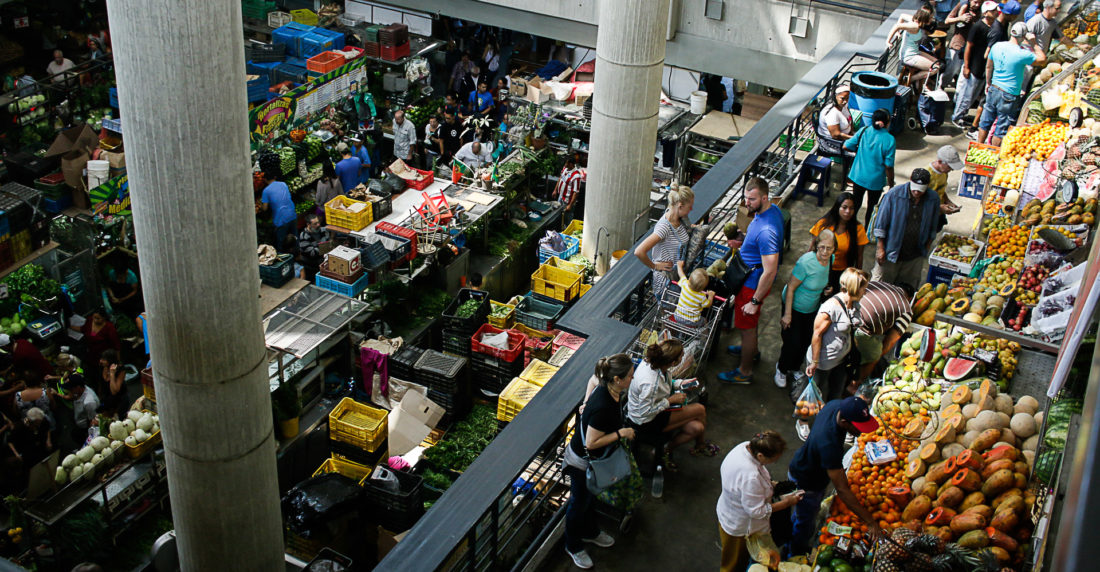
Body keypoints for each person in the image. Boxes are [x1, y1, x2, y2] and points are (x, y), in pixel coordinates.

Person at [561, 355, 634, 569]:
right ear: (618, 379)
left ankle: (590, 531)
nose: (633, 378)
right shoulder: (603, 407)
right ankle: (573, 545)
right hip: (582, 463)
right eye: (630, 375)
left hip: (593, 460)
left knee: (589, 498)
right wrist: (622, 433)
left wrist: (585, 402)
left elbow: (593, 381)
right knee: (578, 502)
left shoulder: (607, 386)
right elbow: (592, 443)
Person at [786, 395, 882, 557]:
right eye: (858, 427)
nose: (861, 432)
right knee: (805, 523)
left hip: (804, 461)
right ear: (845, 422)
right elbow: (842, 490)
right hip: (808, 482)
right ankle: (794, 554)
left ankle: (793, 538)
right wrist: (870, 522)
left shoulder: (835, 405)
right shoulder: (828, 445)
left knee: (800, 515)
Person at [718, 178, 782, 385]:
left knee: (747, 329)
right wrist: (744, 241)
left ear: (765, 197)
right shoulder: (771, 212)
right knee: (748, 328)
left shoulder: (767, 231)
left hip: (751, 285)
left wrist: (754, 302)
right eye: (746, 198)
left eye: (752, 199)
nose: (747, 203)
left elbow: (770, 271)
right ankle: (750, 351)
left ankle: (744, 371)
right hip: (750, 278)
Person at [717, 431, 802, 572]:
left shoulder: (744, 447)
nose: (773, 463)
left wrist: (774, 485)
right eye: (772, 460)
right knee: (734, 564)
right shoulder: (750, 477)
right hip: (741, 526)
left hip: (729, 511)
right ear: (760, 455)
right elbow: (757, 511)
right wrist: (787, 503)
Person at [627, 339, 716, 469]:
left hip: (655, 411)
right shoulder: (650, 383)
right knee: (700, 409)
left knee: (697, 428)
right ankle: (700, 445)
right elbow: (645, 412)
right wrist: (670, 400)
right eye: (682, 356)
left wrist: (680, 383)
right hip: (646, 422)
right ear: (673, 362)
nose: (684, 357)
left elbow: (666, 382)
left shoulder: (655, 365)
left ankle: (667, 449)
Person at [777, 230, 835, 389]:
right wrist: (787, 314)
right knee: (791, 342)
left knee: (805, 341)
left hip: (812, 308)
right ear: (816, 246)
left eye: (829, 248)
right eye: (821, 247)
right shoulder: (805, 263)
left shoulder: (831, 260)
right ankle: (781, 368)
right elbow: (790, 288)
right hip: (794, 306)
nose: (825, 252)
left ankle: (795, 367)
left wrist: (826, 290)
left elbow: (822, 281)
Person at [977, 22, 1046, 146]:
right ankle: (992, 153)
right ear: (1023, 37)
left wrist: (988, 83)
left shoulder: (997, 46)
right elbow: (1042, 59)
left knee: (985, 121)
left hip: (994, 88)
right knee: (1001, 128)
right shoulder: (1022, 54)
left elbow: (988, 66)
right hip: (1009, 94)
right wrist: (1034, 42)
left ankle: (978, 147)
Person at [806, 268, 869, 402]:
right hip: (823, 362)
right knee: (814, 394)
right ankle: (803, 419)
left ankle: (830, 415)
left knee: (836, 392)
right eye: (864, 288)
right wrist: (814, 363)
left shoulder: (854, 304)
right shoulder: (831, 307)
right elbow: (817, 334)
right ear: (855, 288)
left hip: (841, 360)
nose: (865, 292)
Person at [873, 168, 943, 288]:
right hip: (891, 252)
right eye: (915, 188)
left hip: (915, 254)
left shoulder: (933, 198)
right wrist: (880, 248)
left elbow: (933, 224)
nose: (916, 192)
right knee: (881, 288)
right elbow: (881, 224)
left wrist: (927, 246)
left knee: (907, 289)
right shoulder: (894, 195)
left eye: (920, 190)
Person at [634, 185, 694, 300]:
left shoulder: (679, 218)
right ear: (680, 206)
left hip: (677, 275)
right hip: (666, 283)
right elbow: (639, 251)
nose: (691, 210)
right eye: (690, 207)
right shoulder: (664, 228)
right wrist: (655, 266)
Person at [844, 108, 896, 229]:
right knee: (872, 207)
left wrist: (860, 151)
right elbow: (889, 166)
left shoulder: (864, 131)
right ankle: (867, 231)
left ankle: (850, 229)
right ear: (887, 123)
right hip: (876, 181)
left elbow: (846, 146)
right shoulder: (889, 140)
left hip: (858, 176)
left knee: (855, 204)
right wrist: (891, 183)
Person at [855, 281, 914, 383]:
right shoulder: (906, 309)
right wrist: (877, 357)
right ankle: (856, 384)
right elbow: (889, 342)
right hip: (861, 330)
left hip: (845, 318)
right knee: (875, 354)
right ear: (910, 299)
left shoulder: (876, 284)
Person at [809, 192, 869, 291]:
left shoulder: (858, 229)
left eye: (851, 208)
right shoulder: (823, 224)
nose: (848, 211)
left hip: (843, 273)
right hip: (821, 269)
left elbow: (859, 256)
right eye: (844, 207)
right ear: (837, 207)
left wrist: (857, 276)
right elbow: (812, 248)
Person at [953, 1, 999, 129]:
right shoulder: (978, 27)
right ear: (985, 13)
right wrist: (967, 67)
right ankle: (957, 117)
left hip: (983, 69)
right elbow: (968, 46)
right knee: (965, 96)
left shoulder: (993, 27)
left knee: (972, 96)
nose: (996, 12)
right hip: (973, 67)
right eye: (992, 10)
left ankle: (962, 115)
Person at [888, 7, 940, 81]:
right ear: (925, 17)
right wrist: (888, 41)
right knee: (935, 68)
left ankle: (916, 82)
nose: (932, 19)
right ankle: (910, 79)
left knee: (937, 62)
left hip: (915, 52)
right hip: (909, 56)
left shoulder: (914, 20)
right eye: (930, 17)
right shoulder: (914, 26)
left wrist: (898, 32)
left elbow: (902, 16)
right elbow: (897, 26)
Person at [815, 84, 855, 178]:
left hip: (845, 137)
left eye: (847, 98)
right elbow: (835, 135)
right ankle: (850, 176)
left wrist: (851, 132)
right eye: (843, 98)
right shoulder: (832, 113)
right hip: (830, 143)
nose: (845, 101)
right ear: (835, 96)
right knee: (859, 151)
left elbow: (849, 118)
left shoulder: (843, 106)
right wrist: (853, 138)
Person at [52, 374, 99, 443]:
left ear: (78, 387)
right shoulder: (79, 391)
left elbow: (93, 421)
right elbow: (71, 397)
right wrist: (57, 394)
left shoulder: (89, 402)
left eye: (70, 389)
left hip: (84, 429)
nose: (69, 391)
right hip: (78, 420)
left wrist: (90, 440)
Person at [260, 171, 297, 252]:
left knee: (281, 242)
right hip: (292, 214)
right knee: (294, 239)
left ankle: (284, 258)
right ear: (275, 177)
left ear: (265, 180)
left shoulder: (266, 191)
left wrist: (261, 204)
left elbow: (265, 208)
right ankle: (297, 254)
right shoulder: (283, 184)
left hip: (281, 219)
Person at [672, 263, 716, 328]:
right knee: (704, 321)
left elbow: (681, 274)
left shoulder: (685, 284)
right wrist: (711, 296)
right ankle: (704, 337)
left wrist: (679, 266)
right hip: (693, 322)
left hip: (678, 316)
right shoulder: (701, 296)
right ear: (702, 288)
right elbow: (708, 304)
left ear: (689, 279)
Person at [928, 145, 964, 216]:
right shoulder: (926, 175)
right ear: (940, 162)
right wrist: (939, 208)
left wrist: (947, 201)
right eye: (950, 167)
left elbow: (941, 189)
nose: (952, 170)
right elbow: (918, 201)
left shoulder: (944, 172)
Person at [297, 214, 328, 281]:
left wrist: (324, 247)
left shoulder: (323, 230)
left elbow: (329, 243)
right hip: (311, 264)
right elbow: (312, 253)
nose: (318, 225)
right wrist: (325, 247)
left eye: (318, 222)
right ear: (308, 224)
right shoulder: (304, 236)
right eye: (315, 224)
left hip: (323, 258)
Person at [97, 349, 128, 418]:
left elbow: (114, 391)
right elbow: (100, 384)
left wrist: (112, 374)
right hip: (107, 399)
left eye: (104, 360)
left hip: (119, 401)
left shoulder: (120, 369)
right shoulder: (102, 367)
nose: (101, 361)